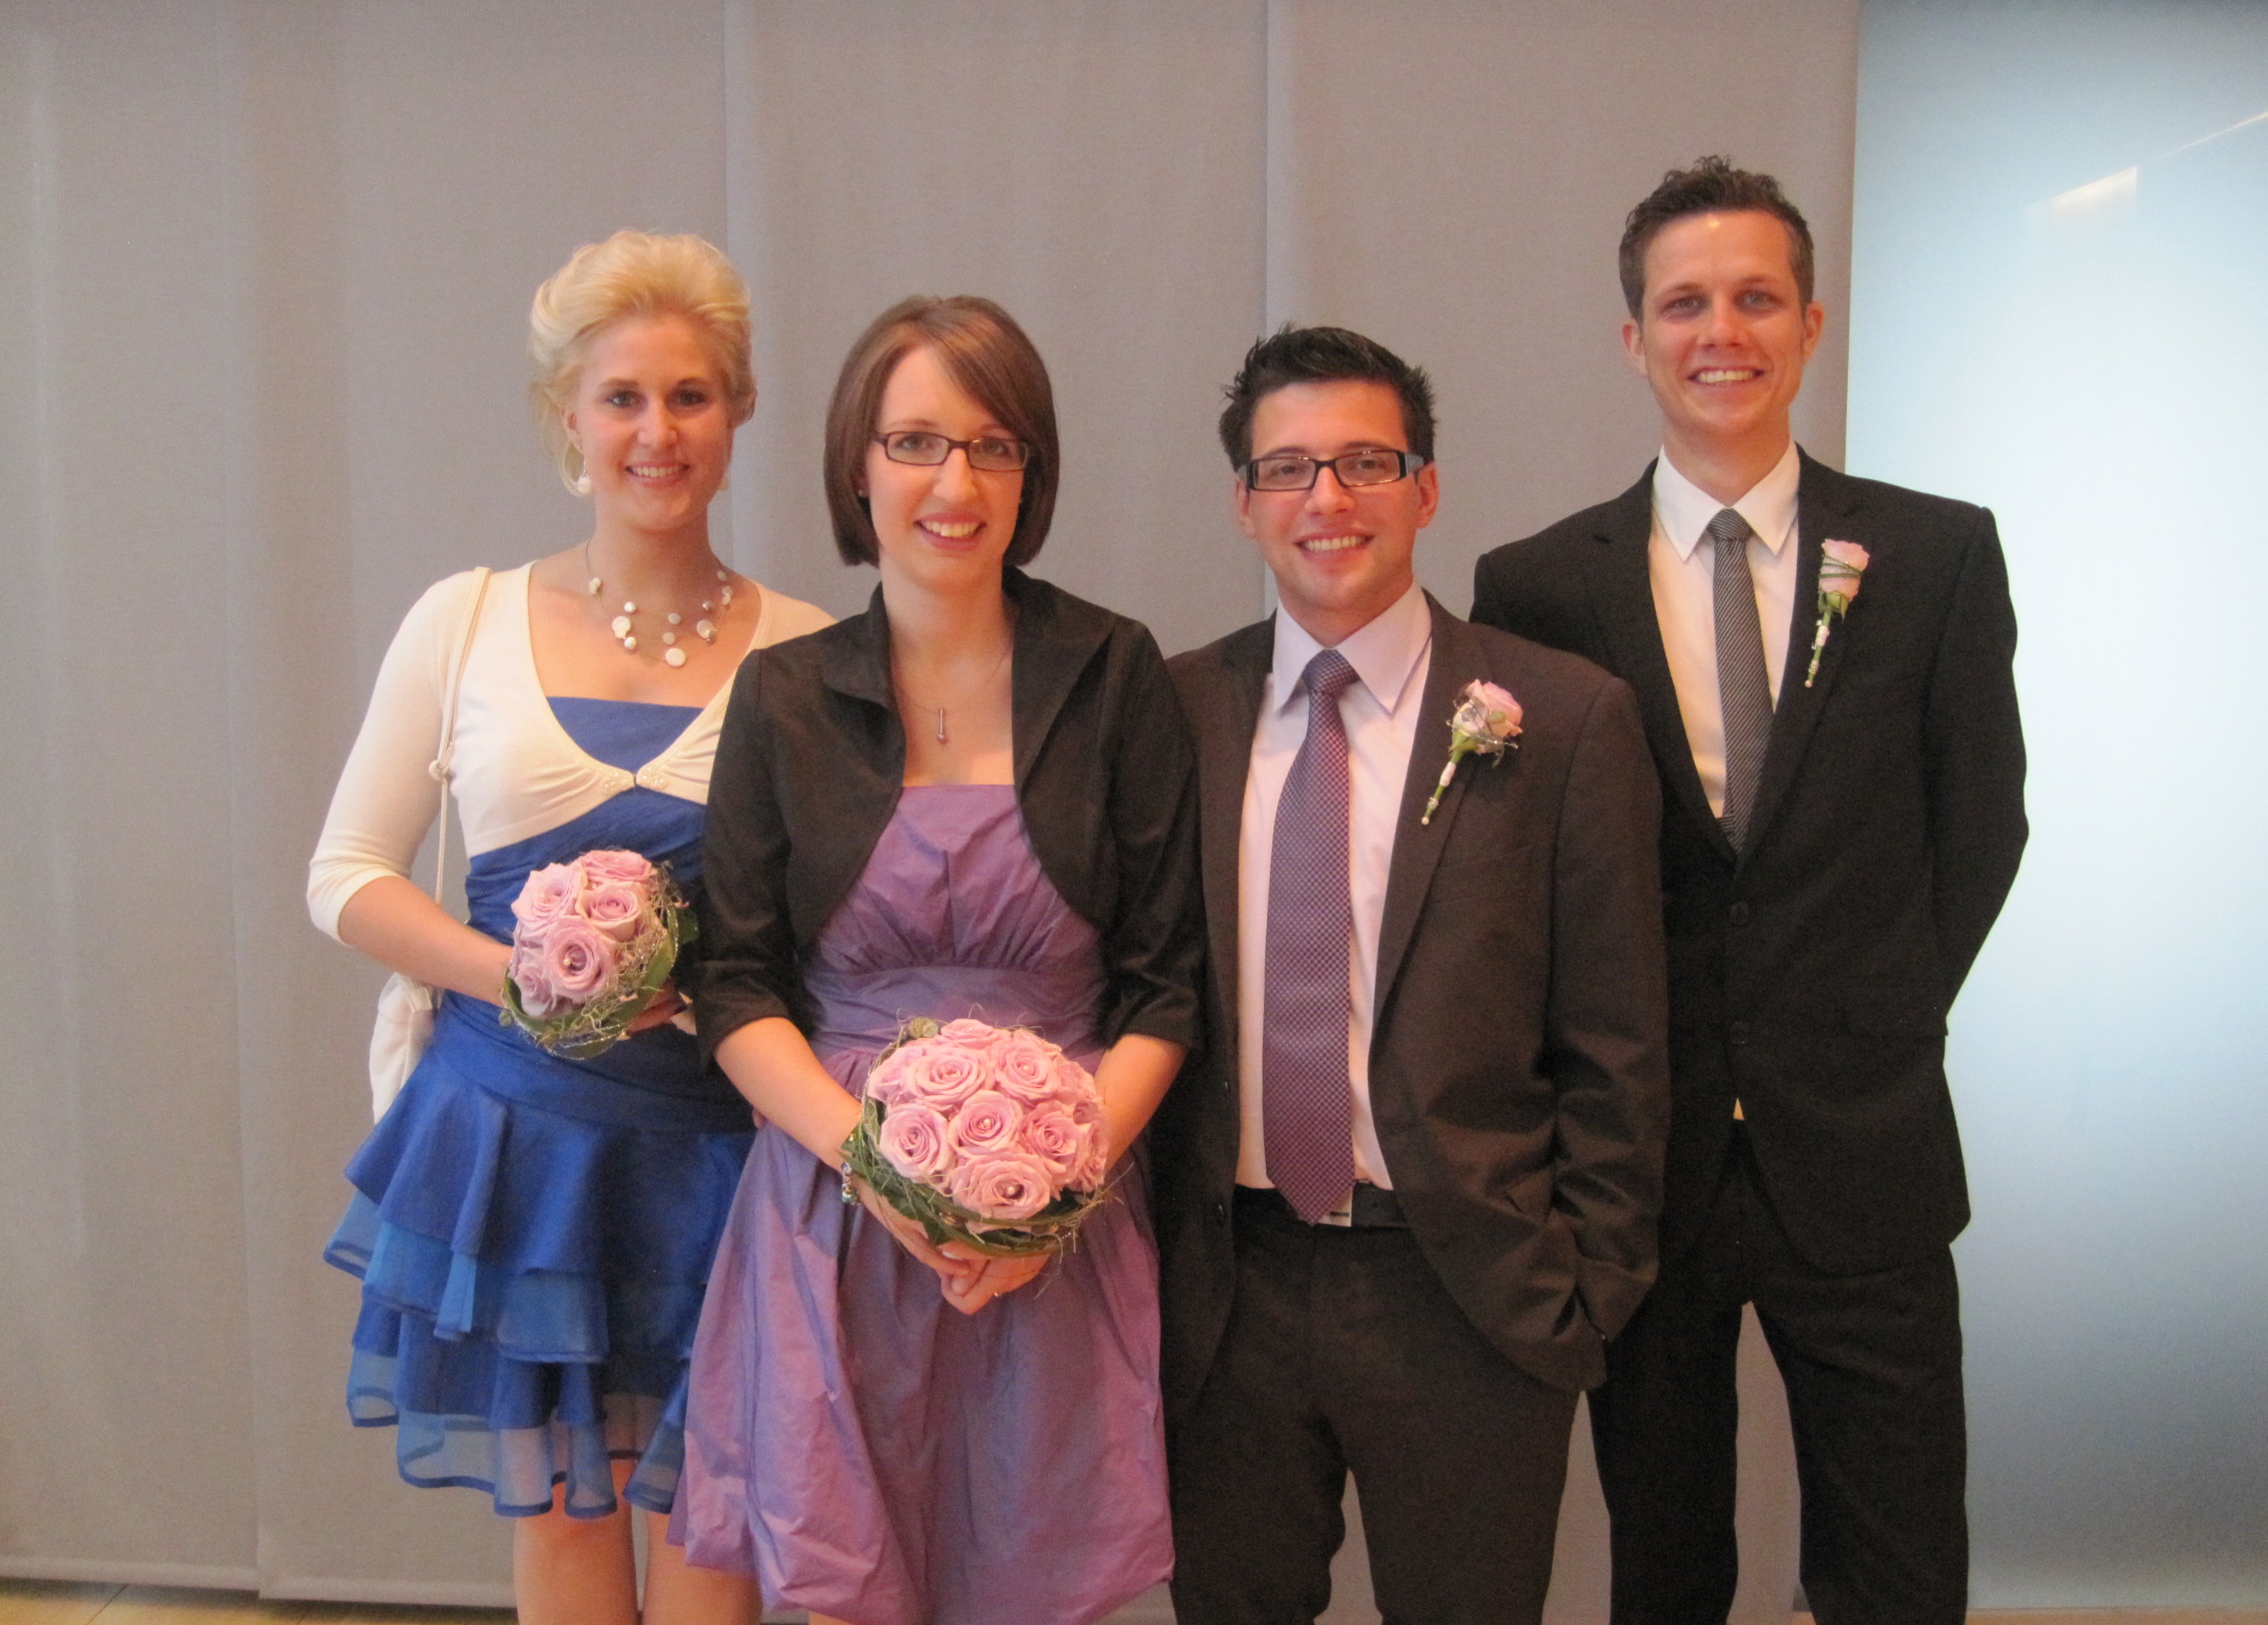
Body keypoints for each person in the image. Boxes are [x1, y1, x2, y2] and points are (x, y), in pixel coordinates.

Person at [1470, 157, 2029, 1625]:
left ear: (1811, 323)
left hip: (1866, 1142)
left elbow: (1982, 826)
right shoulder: (1535, 586)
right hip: (1639, 1160)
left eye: (1757, 299)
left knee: (1900, 1563)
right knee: (1665, 1566)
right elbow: (1525, 884)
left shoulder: (1935, 554)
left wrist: (1870, 1011)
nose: (1722, 331)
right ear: (1633, 338)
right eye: (1685, 304)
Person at [307, 229, 830, 1625]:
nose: (658, 432)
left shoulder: (808, 649)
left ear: (737, 414)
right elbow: (345, 875)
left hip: (719, 1152)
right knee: (559, 1518)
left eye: (691, 396)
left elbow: (835, 933)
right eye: (622, 398)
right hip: (520, 1149)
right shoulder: (461, 621)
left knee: (714, 1527)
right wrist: (522, 981)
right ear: (568, 418)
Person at [676, 295, 1202, 1625]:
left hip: (1061, 1211)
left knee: (1033, 1579)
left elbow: (1165, 982)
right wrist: (880, 1172)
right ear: (858, 466)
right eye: (915, 443)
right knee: (846, 1586)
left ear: (1031, 473)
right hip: (833, 1205)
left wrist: (1046, 1196)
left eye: (992, 446)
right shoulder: (785, 695)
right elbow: (737, 983)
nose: (955, 484)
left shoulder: (1113, 672)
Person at [1153, 325, 1669, 1625]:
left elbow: (1619, 1042)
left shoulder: (1563, 719)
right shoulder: (1174, 712)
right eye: (1288, 468)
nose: (1326, 498)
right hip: (1227, 1290)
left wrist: (1583, 1290)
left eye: (1366, 462)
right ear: (1244, 503)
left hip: (1466, 1289)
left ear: (1426, 488)